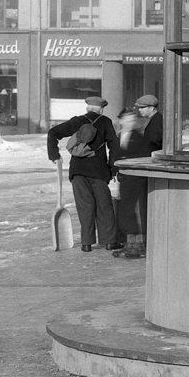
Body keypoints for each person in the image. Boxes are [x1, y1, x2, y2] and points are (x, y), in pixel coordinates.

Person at [47, 96, 120, 252]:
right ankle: (109, 241)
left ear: (88, 108)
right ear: (101, 109)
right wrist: (112, 168)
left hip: (78, 171)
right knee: (104, 206)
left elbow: (53, 132)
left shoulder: (77, 121)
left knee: (84, 206)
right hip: (98, 170)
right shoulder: (105, 122)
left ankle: (86, 243)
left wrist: (54, 154)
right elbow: (114, 146)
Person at [112, 93, 161, 259]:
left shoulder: (142, 134)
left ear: (150, 108)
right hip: (125, 177)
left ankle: (136, 245)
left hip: (136, 177)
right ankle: (131, 244)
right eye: (127, 118)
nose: (138, 113)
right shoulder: (119, 136)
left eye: (141, 108)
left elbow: (150, 149)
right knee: (127, 210)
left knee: (134, 211)